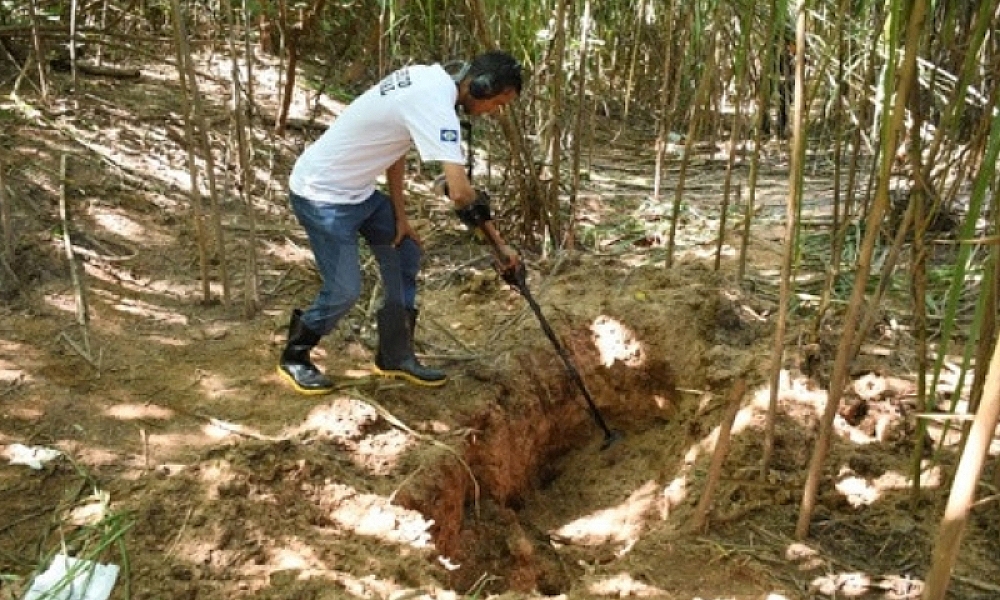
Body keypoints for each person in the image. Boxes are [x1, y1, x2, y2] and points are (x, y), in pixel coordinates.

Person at [278, 50, 524, 395]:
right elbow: (461, 194)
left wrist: (400, 217)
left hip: (359, 192)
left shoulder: (427, 78)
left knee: (405, 251)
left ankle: (394, 355)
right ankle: (295, 355)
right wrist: (500, 246)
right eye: (497, 102)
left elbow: (396, 149)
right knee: (345, 290)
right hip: (321, 193)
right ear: (481, 86)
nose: (495, 112)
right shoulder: (435, 103)